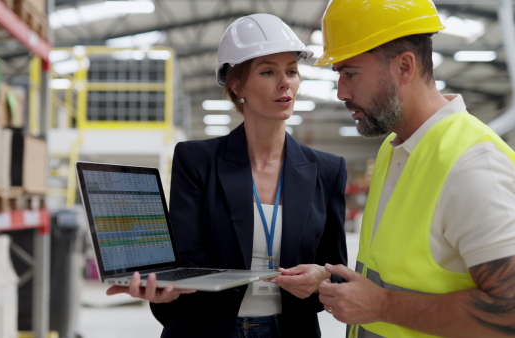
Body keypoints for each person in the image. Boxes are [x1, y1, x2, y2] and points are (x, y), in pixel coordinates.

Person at [105, 13, 348, 337]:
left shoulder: (328, 170)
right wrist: (163, 290)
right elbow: (182, 265)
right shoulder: (196, 162)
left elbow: (339, 273)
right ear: (237, 85)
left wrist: (322, 277)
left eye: (291, 71)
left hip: (291, 330)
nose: (284, 82)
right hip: (207, 330)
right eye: (267, 71)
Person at [312, 0, 515, 337]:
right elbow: (394, 273)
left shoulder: (473, 166)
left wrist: (381, 306)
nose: (340, 92)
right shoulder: (394, 150)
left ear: (405, 67)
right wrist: (335, 282)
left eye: (350, 73)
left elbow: (509, 311)